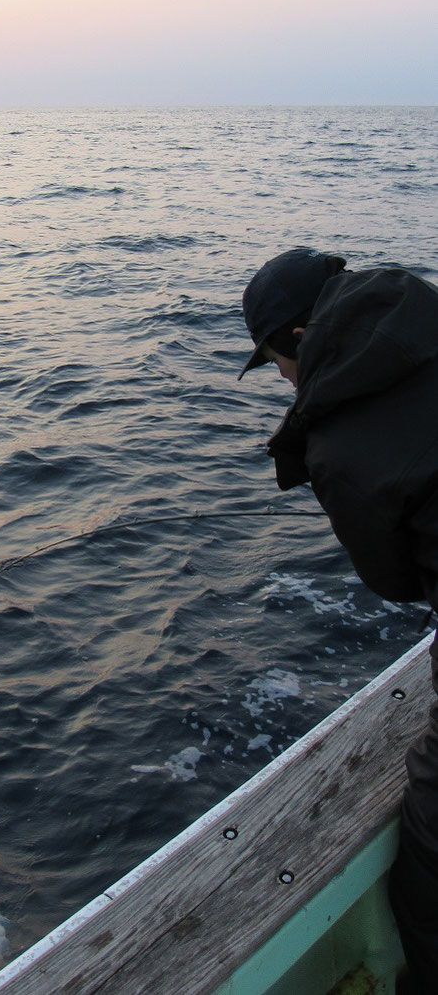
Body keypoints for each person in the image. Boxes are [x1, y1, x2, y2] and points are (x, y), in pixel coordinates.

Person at [238, 248, 438, 994]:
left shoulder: (338, 446)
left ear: (296, 337)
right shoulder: (425, 310)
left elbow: (392, 582)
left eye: (273, 363)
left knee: (428, 873)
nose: (283, 382)